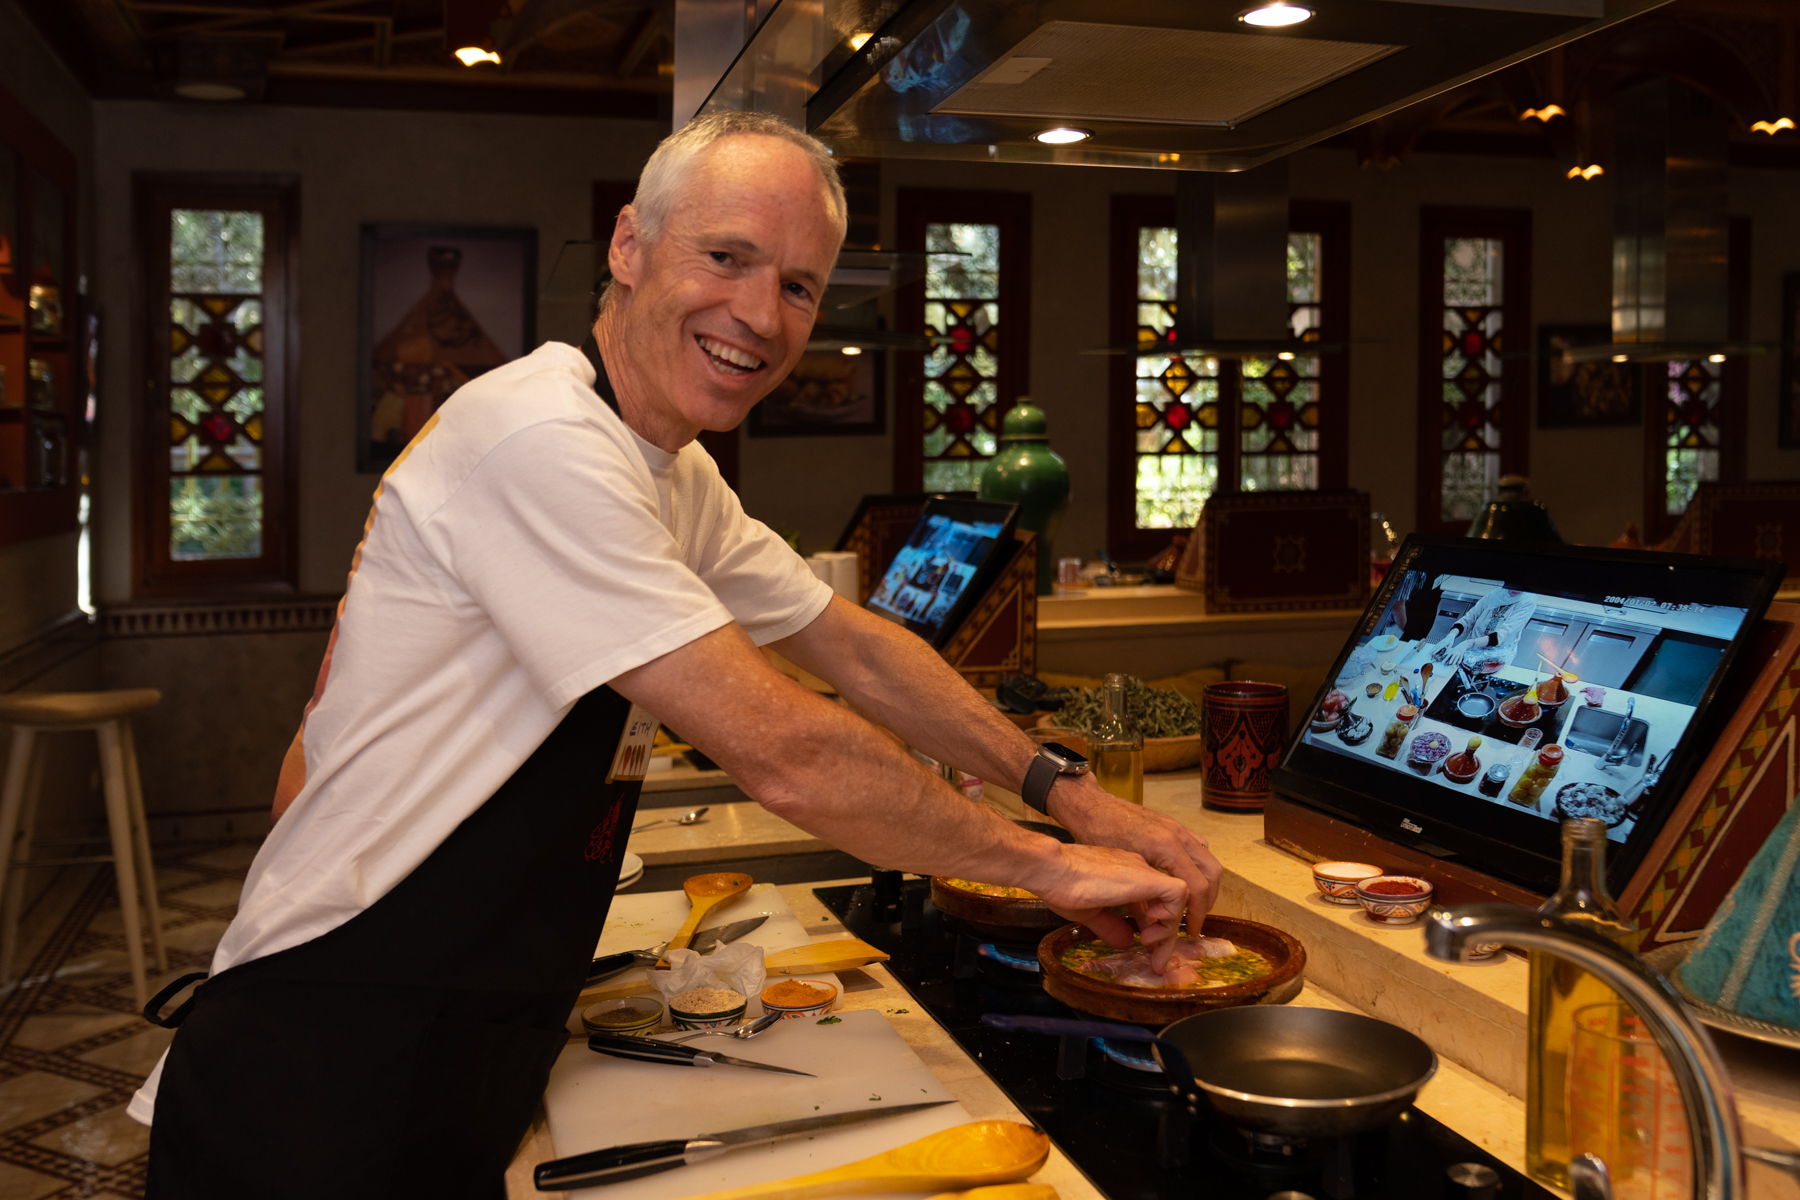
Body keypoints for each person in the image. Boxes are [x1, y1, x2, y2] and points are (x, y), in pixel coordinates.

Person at [135, 112, 1222, 1198]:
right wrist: (1050, 869)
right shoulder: (540, 441)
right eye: (727, 257)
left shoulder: (667, 469)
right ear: (627, 245)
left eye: (798, 285)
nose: (760, 313)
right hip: (330, 1043)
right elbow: (787, 751)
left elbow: (856, 647)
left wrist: (1069, 795)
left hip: (464, 1025)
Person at [1429, 582, 1537, 674]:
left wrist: (1467, 644)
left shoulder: (1528, 601)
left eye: (1521, 585)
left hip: (1496, 657)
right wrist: (1451, 635)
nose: (1516, 588)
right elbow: (1469, 618)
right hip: (1472, 648)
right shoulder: (1496, 594)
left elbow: (1502, 635)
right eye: (1512, 583)